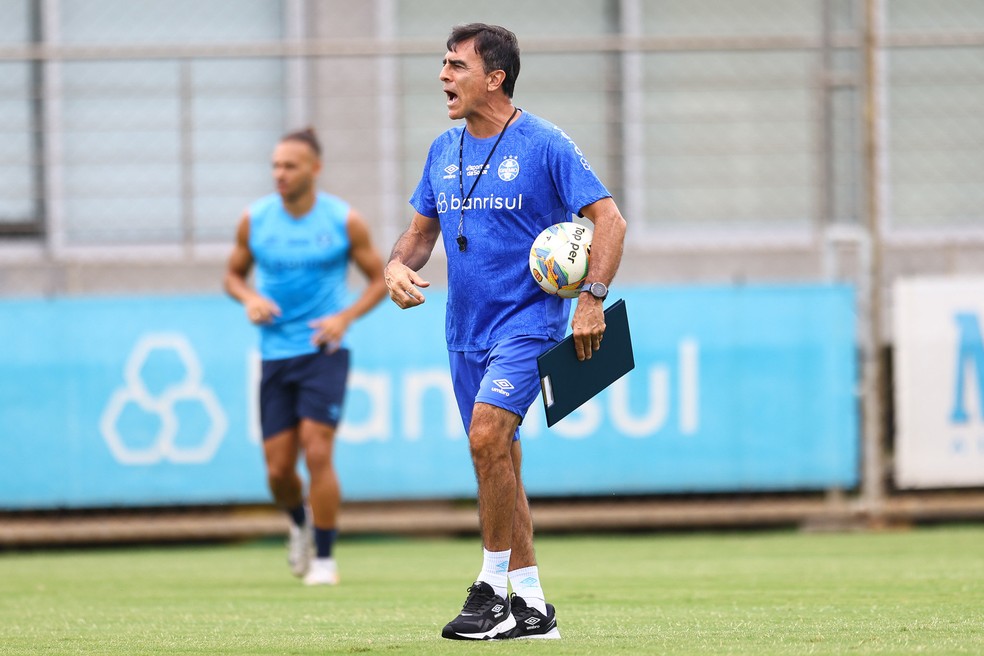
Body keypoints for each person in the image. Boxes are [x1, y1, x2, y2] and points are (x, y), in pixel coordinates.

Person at [384, 24, 627, 640]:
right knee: (498, 462)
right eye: (443, 64)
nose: (443, 75)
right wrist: (394, 266)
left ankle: (490, 591)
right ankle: (533, 607)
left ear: (494, 77)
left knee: (486, 436)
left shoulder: (545, 144)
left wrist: (592, 300)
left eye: (455, 65)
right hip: (463, 329)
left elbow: (610, 222)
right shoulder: (443, 149)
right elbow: (419, 234)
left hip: (529, 323)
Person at [224, 127, 387, 586]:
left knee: (318, 452)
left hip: (324, 350)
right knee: (278, 471)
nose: (280, 173)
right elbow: (233, 277)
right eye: (275, 165)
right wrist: (249, 299)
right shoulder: (254, 220)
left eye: (289, 165)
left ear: (314, 169)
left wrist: (345, 317)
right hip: (275, 354)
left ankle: (325, 559)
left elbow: (378, 279)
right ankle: (299, 520)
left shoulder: (343, 221)